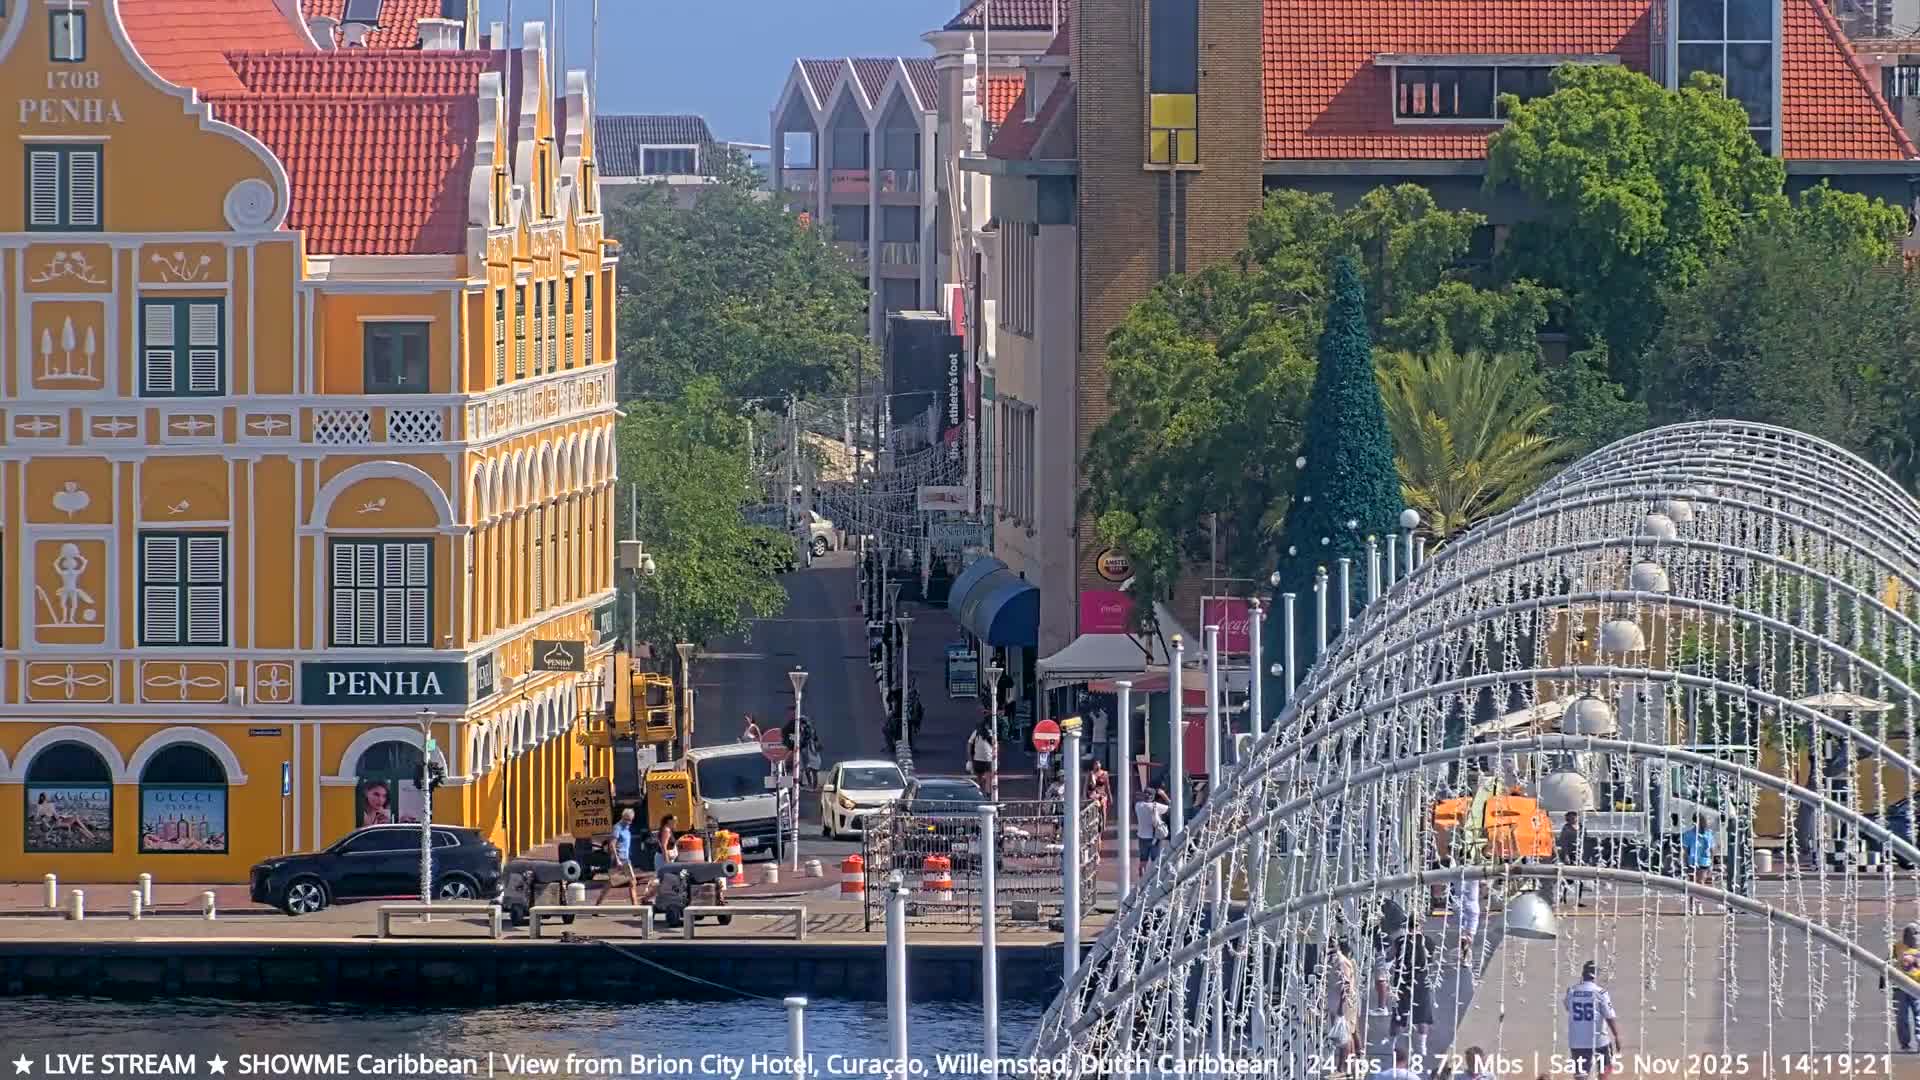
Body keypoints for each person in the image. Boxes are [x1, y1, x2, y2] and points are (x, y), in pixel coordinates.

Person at [1565, 960, 1624, 1076]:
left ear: (1582, 974)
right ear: (1595, 976)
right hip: (1599, 1040)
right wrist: (1617, 1036)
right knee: (1606, 1067)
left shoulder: (1571, 991)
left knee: (1581, 1074)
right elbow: (1609, 1016)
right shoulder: (1601, 993)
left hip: (1577, 1041)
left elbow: (1568, 1008)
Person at [1390, 931, 1436, 1057]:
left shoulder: (1399, 941)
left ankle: (1394, 1045)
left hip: (1402, 984)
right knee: (1423, 1016)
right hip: (1421, 984)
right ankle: (1422, 1047)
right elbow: (1431, 962)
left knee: (1399, 1015)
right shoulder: (1428, 941)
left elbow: (1389, 956)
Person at [1327, 938, 1360, 1067]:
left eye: (1330, 946)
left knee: (1344, 1036)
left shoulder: (1341, 962)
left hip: (1343, 1005)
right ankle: (1348, 1064)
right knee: (1344, 1035)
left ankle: (1341, 1067)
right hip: (1336, 1004)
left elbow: (1345, 986)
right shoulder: (1333, 961)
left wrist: (1341, 1007)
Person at [597, 808, 639, 906]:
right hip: (620, 859)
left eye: (631, 820)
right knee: (616, 883)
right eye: (628, 820)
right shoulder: (617, 828)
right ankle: (636, 908)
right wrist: (617, 860)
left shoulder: (626, 829)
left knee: (630, 882)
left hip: (625, 858)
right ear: (623, 817)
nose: (629, 822)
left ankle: (635, 907)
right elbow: (612, 844)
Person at [1889, 924, 1920, 1049]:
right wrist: (1883, 983)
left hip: (1917, 987)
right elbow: (1887, 964)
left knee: (1919, 1015)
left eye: (1916, 934)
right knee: (1902, 1017)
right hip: (1899, 987)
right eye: (1913, 934)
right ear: (1905, 936)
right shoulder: (1896, 947)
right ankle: (1905, 1043)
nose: (1915, 937)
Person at [1682, 814, 1717, 912]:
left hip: (1704, 861)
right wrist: (1684, 863)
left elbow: (1712, 850)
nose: (1705, 824)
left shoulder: (1708, 834)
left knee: (1700, 884)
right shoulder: (1688, 834)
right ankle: (1692, 905)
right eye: (1702, 821)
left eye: (1704, 821)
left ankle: (1699, 904)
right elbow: (1685, 850)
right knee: (1692, 884)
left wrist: (1712, 863)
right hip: (1692, 861)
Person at [1558, 810, 1589, 906]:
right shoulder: (1566, 828)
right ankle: (1562, 896)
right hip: (1569, 855)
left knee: (1580, 878)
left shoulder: (1582, 827)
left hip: (1579, 855)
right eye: (1571, 817)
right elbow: (1563, 842)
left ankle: (1578, 900)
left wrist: (1586, 857)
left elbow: (1586, 842)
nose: (1573, 818)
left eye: (1575, 816)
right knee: (1568, 877)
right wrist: (1566, 855)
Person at [1136, 788, 1169, 875]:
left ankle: (1142, 882)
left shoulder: (1138, 806)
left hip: (1142, 837)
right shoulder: (1156, 806)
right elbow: (1172, 806)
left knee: (1143, 862)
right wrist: (1163, 794)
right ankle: (1153, 882)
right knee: (1155, 862)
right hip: (1154, 838)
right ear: (1153, 796)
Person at [1454, 876, 1483, 964]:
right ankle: (1465, 955)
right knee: (1459, 883)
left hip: (1466, 906)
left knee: (1460, 881)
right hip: (1466, 906)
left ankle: (1465, 955)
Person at [968, 720, 997, 789]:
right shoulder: (991, 733)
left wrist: (969, 757)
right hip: (988, 759)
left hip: (977, 759)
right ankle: (987, 793)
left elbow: (969, 743)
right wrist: (995, 756)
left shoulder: (976, 732)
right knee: (988, 779)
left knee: (979, 778)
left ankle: (979, 791)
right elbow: (995, 745)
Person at [1088, 760, 1113, 824]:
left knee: (1103, 807)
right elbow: (1087, 785)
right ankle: (1095, 824)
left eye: (1098, 763)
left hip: (1102, 794)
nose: (1097, 765)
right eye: (1095, 764)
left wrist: (1110, 797)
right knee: (1094, 809)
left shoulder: (1105, 773)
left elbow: (1107, 786)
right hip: (1094, 795)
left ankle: (1103, 825)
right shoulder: (1091, 774)